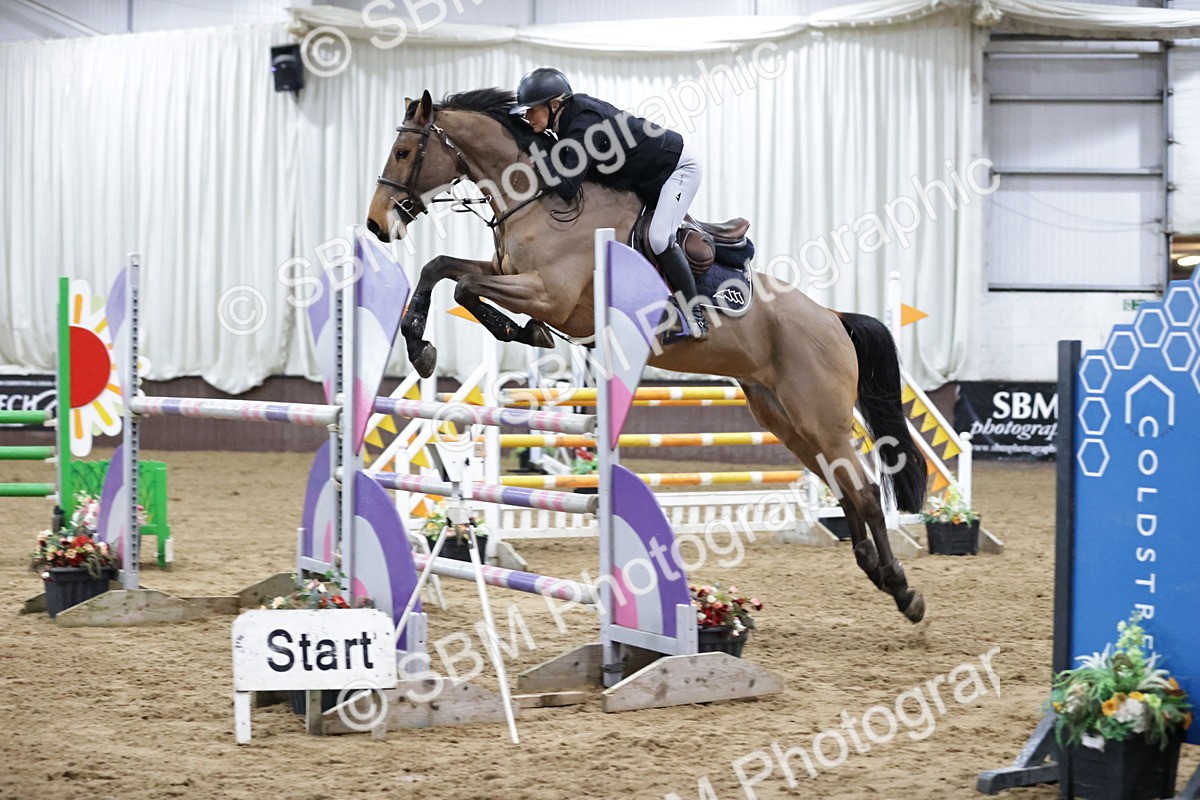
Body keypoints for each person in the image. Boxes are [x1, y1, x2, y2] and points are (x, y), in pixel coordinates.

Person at [510, 67, 708, 340]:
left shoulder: (583, 125)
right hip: (646, 178)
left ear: (554, 105)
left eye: (531, 110)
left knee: (659, 238)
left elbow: (567, 187)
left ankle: (694, 314)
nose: (527, 116)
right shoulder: (566, 122)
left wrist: (538, 153)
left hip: (678, 169)